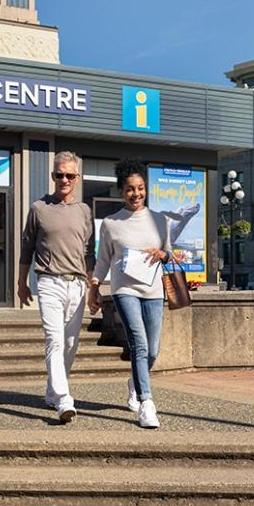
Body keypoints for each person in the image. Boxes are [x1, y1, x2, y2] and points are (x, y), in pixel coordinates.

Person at [87, 158, 172, 429]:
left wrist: (163, 254)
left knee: (154, 349)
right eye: (130, 189)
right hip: (124, 289)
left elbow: (168, 252)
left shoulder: (160, 220)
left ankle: (135, 381)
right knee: (140, 343)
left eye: (140, 188)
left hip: (154, 289)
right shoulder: (111, 223)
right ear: (121, 191)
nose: (136, 194)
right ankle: (147, 403)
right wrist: (95, 286)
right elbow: (103, 260)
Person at [18, 151, 95, 424]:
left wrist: (92, 285)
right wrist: (22, 283)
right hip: (49, 281)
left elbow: (89, 252)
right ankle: (64, 400)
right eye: (59, 174)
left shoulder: (84, 211)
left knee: (71, 343)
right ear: (53, 176)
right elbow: (26, 246)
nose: (64, 179)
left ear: (77, 178)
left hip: (77, 285)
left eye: (69, 175)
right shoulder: (39, 208)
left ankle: (52, 391)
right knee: (55, 340)